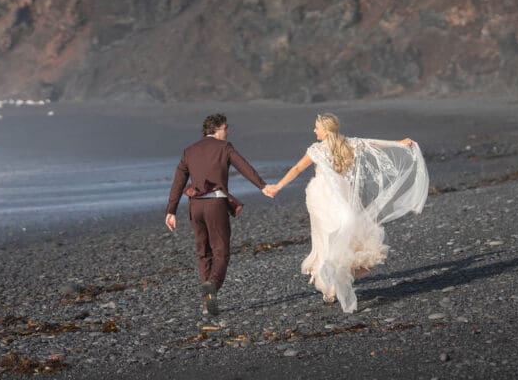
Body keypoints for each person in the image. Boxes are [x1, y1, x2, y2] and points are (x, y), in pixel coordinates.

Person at [264, 113, 428, 313]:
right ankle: (331, 283)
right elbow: (374, 145)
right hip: (329, 197)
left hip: (332, 196)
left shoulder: (331, 147)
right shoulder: (335, 146)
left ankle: (333, 279)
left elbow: (298, 168)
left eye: (317, 127)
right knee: (333, 235)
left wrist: (277, 186)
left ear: (326, 130)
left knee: (336, 233)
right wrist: (400, 143)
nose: (314, 130)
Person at [166, 113, 274, 316]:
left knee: (203, 252)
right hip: (215, 204)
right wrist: (262, 186)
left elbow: (178, 182)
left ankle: (207, 303)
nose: (228, 131)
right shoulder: (224, 147)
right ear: (216, 129)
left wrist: (171, 211)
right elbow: (245, 168)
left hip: (195, 206)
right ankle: (212, 286)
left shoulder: (189, 151)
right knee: (221, 251)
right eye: (226, 128)